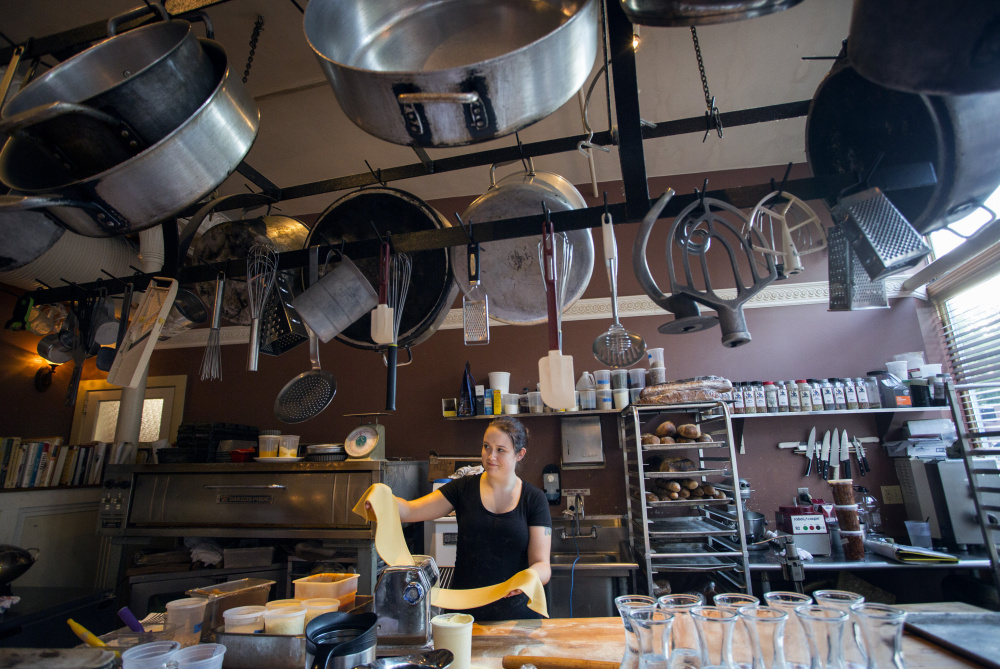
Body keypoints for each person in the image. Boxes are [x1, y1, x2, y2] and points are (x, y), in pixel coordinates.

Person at [393, 416, 551, 621]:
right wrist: (381, 498)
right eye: (487, 447)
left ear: (519, 454)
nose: (490, 456)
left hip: (518, 618)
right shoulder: (462, 488)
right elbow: (409, 511)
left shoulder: (534, 499)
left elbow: (542, 565)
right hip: (465, 616)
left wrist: (530, 578)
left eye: (500, 450)